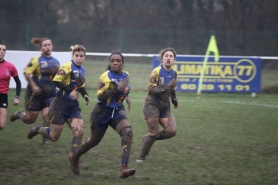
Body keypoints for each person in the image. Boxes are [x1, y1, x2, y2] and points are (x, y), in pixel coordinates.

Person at [68, 52, 136, 179]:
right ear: (110, 63)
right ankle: (74, 156)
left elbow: (125, 89)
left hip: (117, 112)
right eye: (112, 61)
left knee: (127, 132)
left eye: (118, 60)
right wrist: (117, 89)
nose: (115, 63)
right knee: (94, 141)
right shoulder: (105, 76)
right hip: (101, 112)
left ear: (122, 63)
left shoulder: (125, 75)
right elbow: (100, 96)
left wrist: (125, 97)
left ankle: (124, 168)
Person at [27, 44, 89, 158]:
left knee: (79, 131)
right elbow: (56, 80)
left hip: (73, 105)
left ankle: (74, 158)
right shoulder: (67, 66)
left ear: (84, 57)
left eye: (81, 56)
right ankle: (38, 128)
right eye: (77, 56)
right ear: (73, 56)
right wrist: (70, 90)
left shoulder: (83, 70)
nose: (79, 58)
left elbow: (80, 86)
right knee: (53, 137)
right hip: (59, 104)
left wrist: (84, 94)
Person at [9, 37, 60, 144]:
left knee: (48, 117)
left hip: (49, 94)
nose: (47, 47)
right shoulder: (35, 59)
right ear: (41, 48)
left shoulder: (56, 62)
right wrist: (33, 85)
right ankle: (19, 114)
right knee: (30, 119)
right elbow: (26, 73)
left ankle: (43, 142)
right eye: (45, 45)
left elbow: (57, 78)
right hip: (34, 94)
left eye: (49, 45)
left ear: (52, 46)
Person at [136, 47, 179, 162]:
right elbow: (150, 89)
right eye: (166, 56)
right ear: (162, 59)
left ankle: (147, 138)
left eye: (171, 56)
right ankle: (141, 157)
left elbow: (172, 88)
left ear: (174, 59)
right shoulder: (157, 71)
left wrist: (174, 98)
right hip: (152, 104)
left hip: (165, 105)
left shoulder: (174, 73)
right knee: (154, 132)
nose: (168, 58)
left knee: (171, 131)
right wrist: (167, 86)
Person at [0, 40, 21, 130]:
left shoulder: (10, 66)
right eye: (0, 49)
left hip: (3, 97)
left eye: (4, 50)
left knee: (1, 125)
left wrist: (17, 96)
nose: (2, 51)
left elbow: (18, 82)